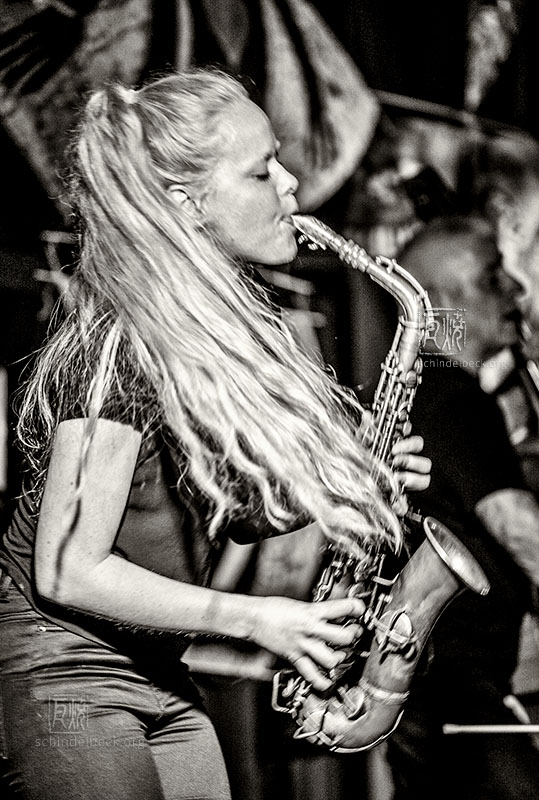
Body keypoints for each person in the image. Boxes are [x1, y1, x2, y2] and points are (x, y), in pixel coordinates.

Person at [0, 68, 431, 800]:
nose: (290, 186)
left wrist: (352, 481)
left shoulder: (212, 339)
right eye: (261, 172)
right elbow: (68, 568)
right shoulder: (121, 341)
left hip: (160, 668)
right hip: (63, 666)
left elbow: (228, 518)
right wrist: (258, 619)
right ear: (185, 202)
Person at [384, 214, 539, 800]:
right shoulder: (451, 394)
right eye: (494, 277)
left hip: (430, 678)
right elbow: (517, 526)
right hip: (452, 682)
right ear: (443, 300)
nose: (516, 289)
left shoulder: (431, 391)